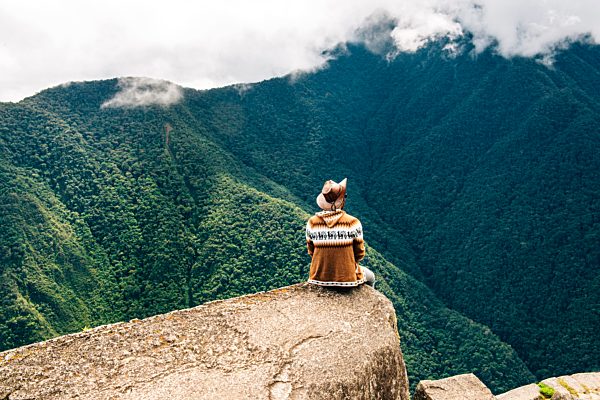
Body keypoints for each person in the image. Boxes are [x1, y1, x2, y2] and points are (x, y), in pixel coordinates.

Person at [305, 178, 376, 287]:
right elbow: (359, 253)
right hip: (347, 278)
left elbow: (311, 252)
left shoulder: (312, 223)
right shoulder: (352, 222)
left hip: (318, 278)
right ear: (341, 200)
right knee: (371, 277)